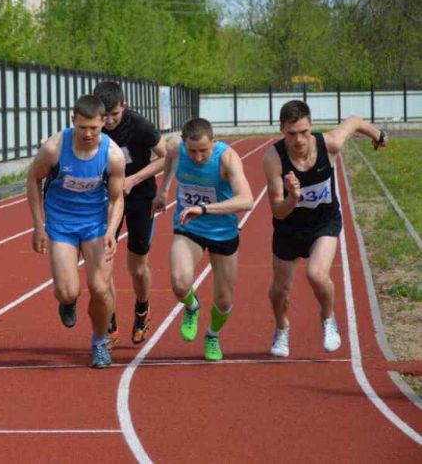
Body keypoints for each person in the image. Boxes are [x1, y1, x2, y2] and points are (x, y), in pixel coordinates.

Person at [264, 100, 387, 357]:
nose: (298, 139)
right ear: (281, 130)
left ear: (311, 127)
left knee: (317, 274)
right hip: (289, 226)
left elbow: (353, 122)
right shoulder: (274, 158)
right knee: (280, 290)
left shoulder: (329, 144)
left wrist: (378, 135)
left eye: (304, 132)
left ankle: (328, 319)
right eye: (291, 133)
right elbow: (277, 210)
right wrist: (293, 198)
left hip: (324, 221)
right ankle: (282, 327)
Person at [26, 94, 125, 368]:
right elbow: (33, 180)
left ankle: (99, 342)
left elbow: (117, 199)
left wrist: (111, 230)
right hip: (60, 225)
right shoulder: (54, 148)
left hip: (95, 224)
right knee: (69, 292)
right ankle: (67, 302)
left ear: (103, 123)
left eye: (94, 128)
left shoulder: (113, 155)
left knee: (100, 287)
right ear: (73, 122)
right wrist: (38, 225)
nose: (88, 134)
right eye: (82, 128)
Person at [154, 118, 254, 362]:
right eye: (193, 151)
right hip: (188, 226)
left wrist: (205, 209)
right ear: (185, 144)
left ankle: (212, 335)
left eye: (204, 151)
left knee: (224, 298)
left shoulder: (227, 158)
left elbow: (247, 200)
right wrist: (163, 190)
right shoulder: (176, 148)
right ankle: (192, 307)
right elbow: (169, 160)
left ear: (213, 142)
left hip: (223, 232)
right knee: (179, 282)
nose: (198, 157)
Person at [93, 81, 166, 347]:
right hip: (106, 198)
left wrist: (134, 179)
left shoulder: (140, 126)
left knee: (136, 267)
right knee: (104, 264)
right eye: (105, 115)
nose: (109, 121)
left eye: (115, 114)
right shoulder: (93, 126)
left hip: (139, 197)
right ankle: (109, 324)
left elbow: (166, 156)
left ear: (125, 105)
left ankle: (142, 310)